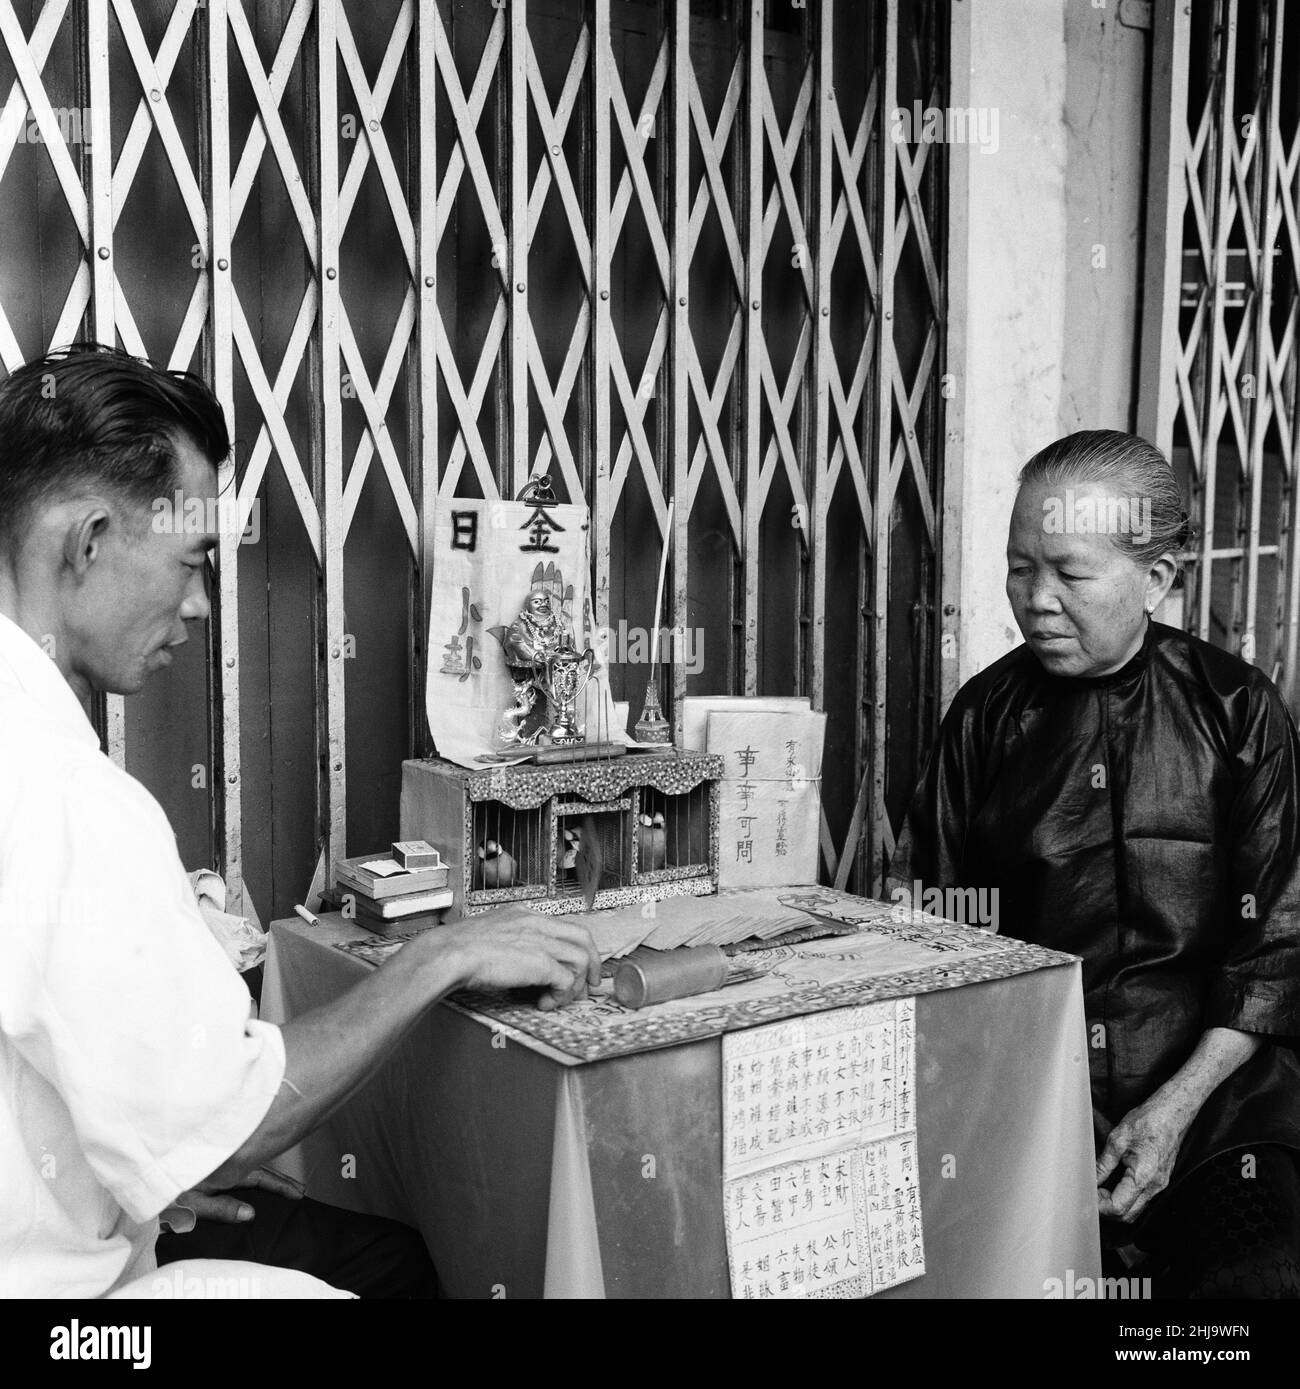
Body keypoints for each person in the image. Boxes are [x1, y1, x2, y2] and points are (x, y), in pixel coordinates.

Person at [0, 345, 600, 1298]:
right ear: (91, 540)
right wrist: (440, 958)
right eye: (193, 563)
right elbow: (232, 1128)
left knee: (380, 1253)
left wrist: (160, 1162)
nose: (200, 605)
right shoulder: (69, 795)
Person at [890, 429, 1300, 1298]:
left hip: (1217, 1104)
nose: (1036, 600)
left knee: (1257, 1277)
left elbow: (1277, 948)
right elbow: (929, 938)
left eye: (1070, 574)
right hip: (1030, 1093)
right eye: (1019, 567)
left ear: (1156, 579)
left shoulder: (1238, 710)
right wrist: (1042, 1108)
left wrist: (1174, 1109)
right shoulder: (983, 720)